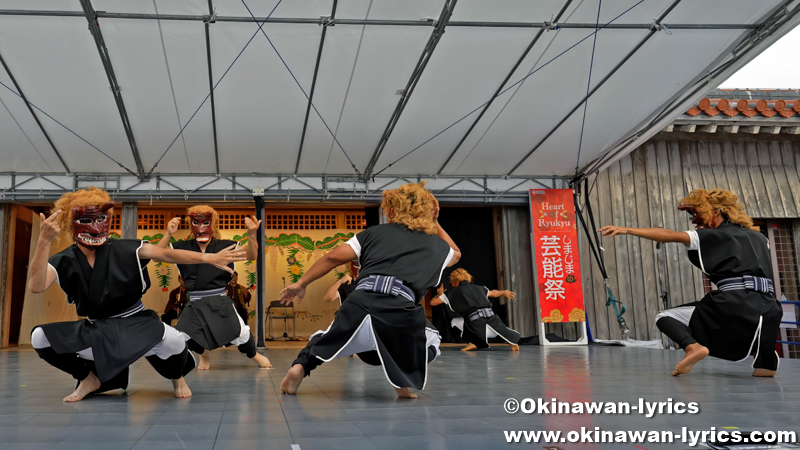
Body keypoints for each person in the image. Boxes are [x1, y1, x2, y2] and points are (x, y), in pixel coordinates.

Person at [28, 187, 247, 402]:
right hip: (100, 329)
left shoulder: (126, 248)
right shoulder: (63, 260)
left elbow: (165, 253)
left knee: (177, 343)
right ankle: (88, 379)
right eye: (86, 220)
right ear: (70, 223)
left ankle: (177, 377)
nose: (95, 227)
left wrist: (208, 258)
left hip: (139, 323)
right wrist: (44, 242)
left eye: (101, 218)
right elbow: (36, 286)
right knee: (40, 337)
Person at [279, 182, 461, 398]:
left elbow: (332, 257)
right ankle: (401, 381)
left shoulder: (373, 233)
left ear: (392, 210)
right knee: (431, 340)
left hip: (359, 302)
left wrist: (301, 284)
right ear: (428, 211)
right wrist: (436, 221)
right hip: (399, 310)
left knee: (326, 338)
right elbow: (456, 253)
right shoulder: (437, 246)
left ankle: (300, 368)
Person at [599, 188, 782, 377]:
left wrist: (628, 230)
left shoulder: (709, 235)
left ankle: (693, 347)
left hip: (734, 303)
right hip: (770, 308)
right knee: (764, 370)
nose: (694, 221)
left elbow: (668, 235)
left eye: (696, 214)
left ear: (716, 212)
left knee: (664, 317)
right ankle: (762, 354)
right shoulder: (761, 238)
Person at [157, 206, 271, 370]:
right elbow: (157, 256)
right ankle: (204, 355)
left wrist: (252, 235)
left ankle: (254, 354)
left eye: (206, 222)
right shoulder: (182, 247)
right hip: (195, 301)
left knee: (242, 333)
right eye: (196, 222)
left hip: (220, 300)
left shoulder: (225, 246)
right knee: (182, 337)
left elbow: (252, 255)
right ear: (191, 224)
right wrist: (168, 233)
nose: (201, 227)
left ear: (213, 224)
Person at [431, 269, 520, 351]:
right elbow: (494, 293)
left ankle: (472, 342)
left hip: (479, 330)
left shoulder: (452, 292)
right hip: (495, 327)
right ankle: (512, 342)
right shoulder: (480, 288)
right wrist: (504, 292)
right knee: (497, 326)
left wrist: (439, 294)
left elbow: (433, 302)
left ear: (454, 281)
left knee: (454, 321)